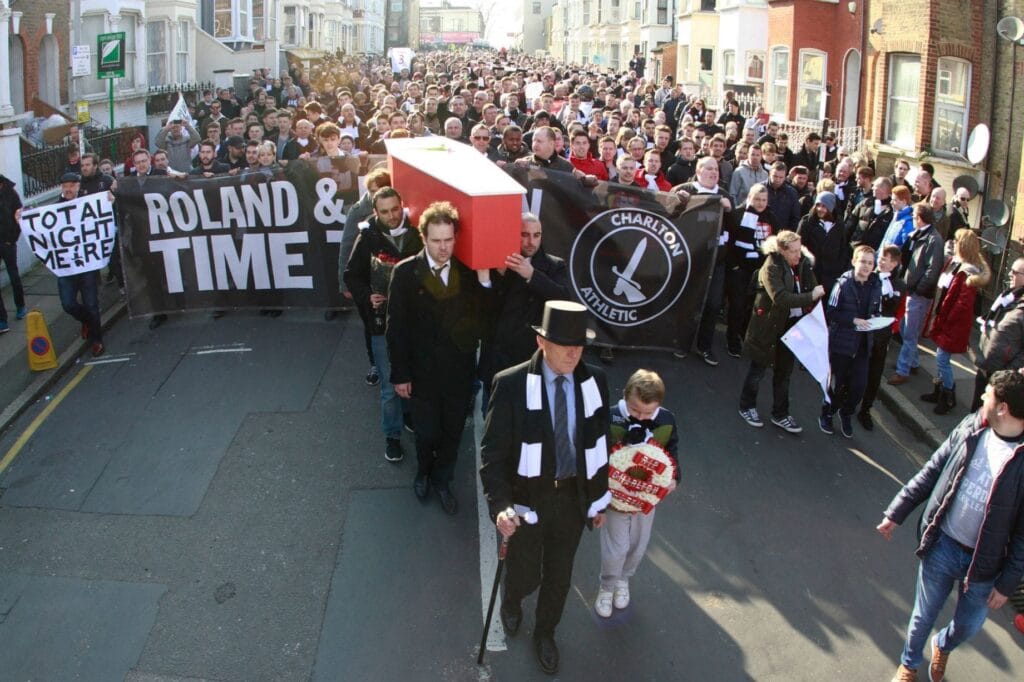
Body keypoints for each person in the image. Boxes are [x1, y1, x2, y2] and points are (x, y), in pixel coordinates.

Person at [480, 300, 611, 676]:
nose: (574, 353)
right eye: (564, 344)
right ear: (541, 341)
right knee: (524, 570)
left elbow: (599, 443)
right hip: (528, 500)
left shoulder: (594, 380)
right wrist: (501, 505)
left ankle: (546, 633)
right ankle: (513, 598)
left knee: (559, 574)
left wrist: (598, 500)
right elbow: (494, 454)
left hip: (572, 499)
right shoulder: (510, 384)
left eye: (579, 344)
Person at [878, 369, 1024, 682]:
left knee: (968, 626)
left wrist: (1006, 583)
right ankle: (909, 664)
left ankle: (943, 645)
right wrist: (896, 512)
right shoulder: (971, 427)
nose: (981, 396)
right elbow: (932, 471)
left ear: (1004, 408)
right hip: (943, 545)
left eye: (988, 393)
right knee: (923, 615)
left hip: (985, 566)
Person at [386, 201, 490, 515]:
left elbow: (484, 318)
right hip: (421, 373)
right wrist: (400, 374)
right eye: (436, 241)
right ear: (424, 239)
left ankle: (443, 480)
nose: (443, 247)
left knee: (453, 432)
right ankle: (423, 472)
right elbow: (396, 327)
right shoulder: (405, 272)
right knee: (426, 431)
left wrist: (485, 281)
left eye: (448, 240)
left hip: (458, 372)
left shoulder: (468, 272)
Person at [344, 187, 423, 464]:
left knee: (412, 375)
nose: (392, 216)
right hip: (382, 324)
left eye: (395, 209)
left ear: (402, 206)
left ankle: (409, 415)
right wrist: (367, 296)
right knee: (390, 386)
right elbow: (351, 275)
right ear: (375, 212)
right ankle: (392, 436)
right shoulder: (367, 236)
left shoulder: (417, 232)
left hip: (415, 322)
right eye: (385, 211)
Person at [595, 369, 678, 618]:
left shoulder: (666, 420)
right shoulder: (609, 417)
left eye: (647, 412)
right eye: (634, 410)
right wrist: (597, 501)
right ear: (625, 397)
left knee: (639, 544)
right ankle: (607, 586)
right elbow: (595, 454)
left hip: (645, 496)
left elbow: (673, 451)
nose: (641, 417)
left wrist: (674, 477)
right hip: (616, 495)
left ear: (658, 406)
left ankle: (624, 580)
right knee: (617, 547)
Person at [479, 213, 571, 414]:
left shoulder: (554, 265)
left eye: (536, 235)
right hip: (497, 359)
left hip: (531, 359)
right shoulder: (499, 262)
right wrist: (488, 280)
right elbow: (485, 310)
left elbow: (565, 300)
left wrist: (532, 275)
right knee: (493, 420)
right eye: (525, 235)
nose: (531, 241)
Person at [738, 230, 825, 433]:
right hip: (767, 327)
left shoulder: (803, 264)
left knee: (784, 373)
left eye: (799, 249)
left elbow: (812, 287)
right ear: (782, 251)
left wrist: (813, 296)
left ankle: (780, 414)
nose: (798, 255)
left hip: (791, 328)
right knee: (758, 370)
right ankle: (746, 406)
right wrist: (810, 296)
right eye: (794, 251)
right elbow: (781, 298)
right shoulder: (771, 267)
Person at [920, 230, 990, 414]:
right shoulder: (956, 264)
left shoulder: (967, 272)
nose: (953, 242)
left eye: (957, 241)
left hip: (952, 325)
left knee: (942, 359)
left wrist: (945, 320)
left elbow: (962, 305)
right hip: (944, 319)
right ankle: (938, 390)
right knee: (940, 357)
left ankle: (948, 396)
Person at [819, 246, 883, 438]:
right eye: (863, 261)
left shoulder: (876, 285)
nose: (866, 266)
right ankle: (828, 413)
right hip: (842, 343)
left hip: (863, 345)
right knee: (836, 386)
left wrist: (875, 320)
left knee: (858, 387)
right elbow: (831, 312)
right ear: (854, 261)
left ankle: (846, 413)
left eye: (870, 263)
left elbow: (877, 310)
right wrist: (853, 320)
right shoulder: (843, 285)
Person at [889, 203, 946, 386]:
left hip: (918, 294)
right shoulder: (919, 234)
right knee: (906, 329)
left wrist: (918, 289)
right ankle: (912, 363)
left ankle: (902, 370)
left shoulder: (934, 240)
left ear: (920, 219)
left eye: (914, 216)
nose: (912, 219)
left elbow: (932, 270)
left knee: (910, 333)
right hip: (911, 290)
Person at [52, 173, 104, 356]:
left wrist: (110, 200)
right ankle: (87, 321)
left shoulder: (89, 203)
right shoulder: (53, 209)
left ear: (78, 186)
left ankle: (97, 339)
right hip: (66, 268)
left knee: (91, 304)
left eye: (71, 185)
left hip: (87, 265)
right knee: (68, 304)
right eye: (65, 185)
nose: (68, 189)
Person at [725, 183, 778, 358]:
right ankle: (732, 340)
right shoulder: (738, 214)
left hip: (761, 270)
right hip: (740, 269)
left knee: (753, 307)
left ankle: (744, 337)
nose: (761, 203)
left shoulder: (771, 217)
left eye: (764, 200)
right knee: (737, 306)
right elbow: (729, 242)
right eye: (757, 199)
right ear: (749, 198)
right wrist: (734, 265)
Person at [858, 245, 907, 430]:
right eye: (880, 258)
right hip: (864, 330)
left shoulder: (899, 285)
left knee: (875, 374)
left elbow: (896, 307)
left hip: (881, 336)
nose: (880, 262)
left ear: (894, 263)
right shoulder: (869, 276)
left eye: (885, 260)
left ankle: (865, 409)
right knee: (857, 368)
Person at [972, 257, 1024, 410]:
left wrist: (1007, 372)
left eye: (1015, 272)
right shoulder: (1008, 298)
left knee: (990, 416)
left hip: (1001, 376)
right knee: (976, 411)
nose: (1010, 274)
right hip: (985, 366)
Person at [797, 191, 848, 296]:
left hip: (832, 274)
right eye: (818, 205)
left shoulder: (839, 224)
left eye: (824, 206)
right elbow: (799, 244)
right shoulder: (807, 222)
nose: (820, 209)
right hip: (812, 273)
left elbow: (843, 248)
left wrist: (840, 269)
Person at [0, 173, 26, 332]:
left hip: (7, 241)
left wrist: (12, 239)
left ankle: (20, 305)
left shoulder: (10, 192)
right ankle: (2, 319)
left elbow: (19, 216)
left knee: (13, 275)